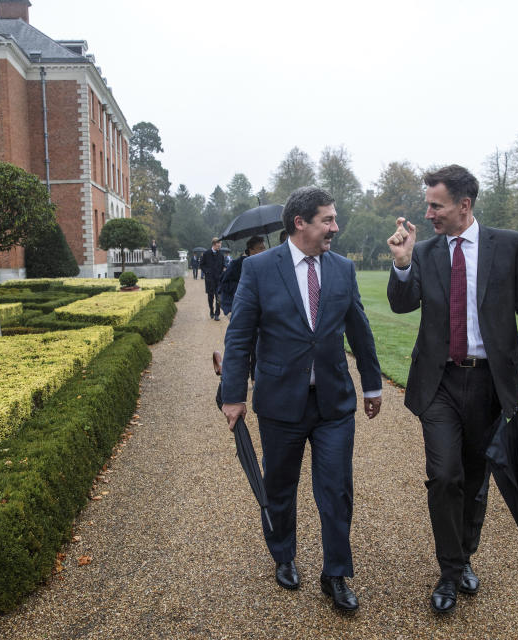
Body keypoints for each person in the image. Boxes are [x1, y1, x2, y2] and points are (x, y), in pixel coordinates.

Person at [385, 165, 518, 614]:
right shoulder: (425, 251)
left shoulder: (510, 246)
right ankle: (449, 571)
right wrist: (402, 263)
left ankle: (463, 558)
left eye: (435, 205)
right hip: (438, 382)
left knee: (476, 480)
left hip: (490, 383)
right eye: (428, 204)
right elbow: (401, 305)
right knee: (444, 476)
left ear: (464, 205)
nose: (428, 212)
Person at [221, 186, 383, 613]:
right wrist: (234, 395)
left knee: (336, 490)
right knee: (280, 487)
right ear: (300, 223)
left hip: (333, 403)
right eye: (327, 220)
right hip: (280, 403)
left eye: (333, 219)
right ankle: (284, 555)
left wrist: (372, 384)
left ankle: (336, 573)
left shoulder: (343, 269)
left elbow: (360, 331)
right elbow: (238, 337)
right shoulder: (258, 269)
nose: (335, 227)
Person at [219, 235, 266, 317]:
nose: (264, 251)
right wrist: (243, 287)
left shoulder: (266, 265)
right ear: (251, 250)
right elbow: (224, 284)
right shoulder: (237, 264)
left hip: (260, 309)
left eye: (264, 248)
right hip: (239, 309)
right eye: (260, 248)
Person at [200, 237, 225, 320]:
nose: (220, 246)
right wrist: (206, 272)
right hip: (210, 280)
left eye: (220, 244)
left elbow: (223, 265)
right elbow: (202, 264)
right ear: (214, 244)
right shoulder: (206, 253)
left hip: (218, 280)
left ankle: (217, 314)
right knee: (210, 297)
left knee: (219, 297)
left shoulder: (221, 254)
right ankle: (211, 310)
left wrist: (224, 270)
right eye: (219, 244)